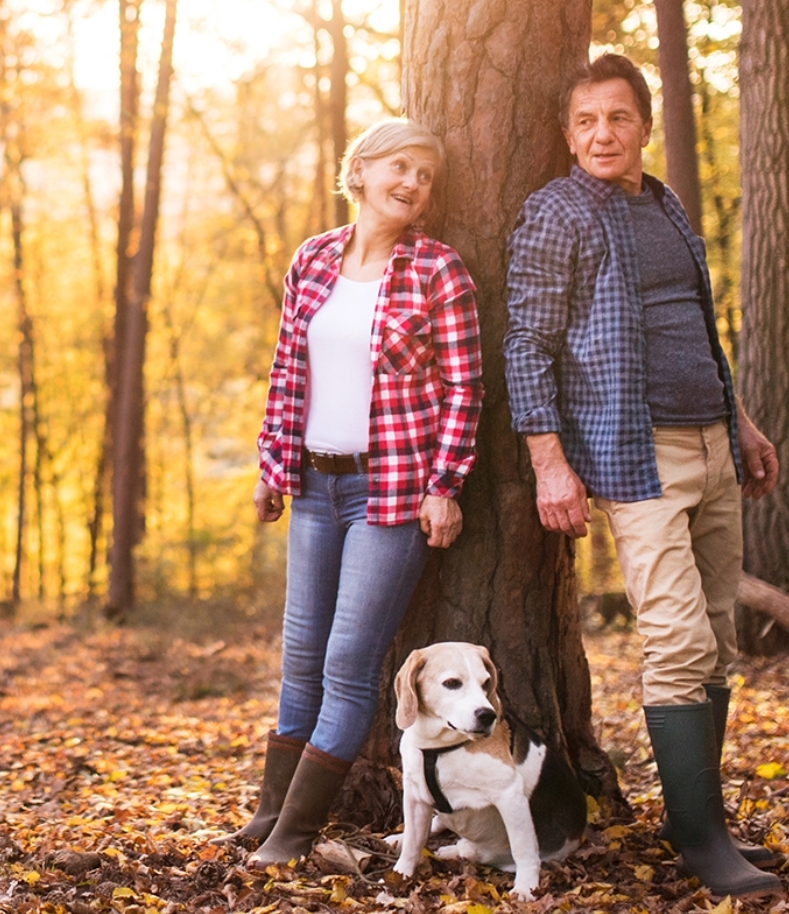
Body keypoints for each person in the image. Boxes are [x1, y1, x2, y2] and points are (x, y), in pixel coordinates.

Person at [503, 54, 783, 899]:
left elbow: (696, 325)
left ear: (643, 125)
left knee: (721, 638)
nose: (601, 135)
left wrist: (741, 422)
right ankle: (699, 837)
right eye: (585, 121)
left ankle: (703, 814)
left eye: (617, 118)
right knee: (677, 638)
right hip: (637, 453)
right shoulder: (555, 212)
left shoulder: (664, 203)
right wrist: (549, 462)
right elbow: (525, 343)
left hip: (713, 447)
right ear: (566, 133)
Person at [217, 119, 484, 869]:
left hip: (390, 495)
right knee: (299, 657)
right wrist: (273, 465)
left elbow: (466, 389)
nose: (412, 184)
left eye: (425, 176)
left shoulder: (438, 270)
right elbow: (286, 372)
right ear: (360, 171)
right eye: (399, 167)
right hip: (314, 486)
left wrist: (444, 485)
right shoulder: (313, 259)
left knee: (346, 665)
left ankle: (296, 835)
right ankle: (270, 816)